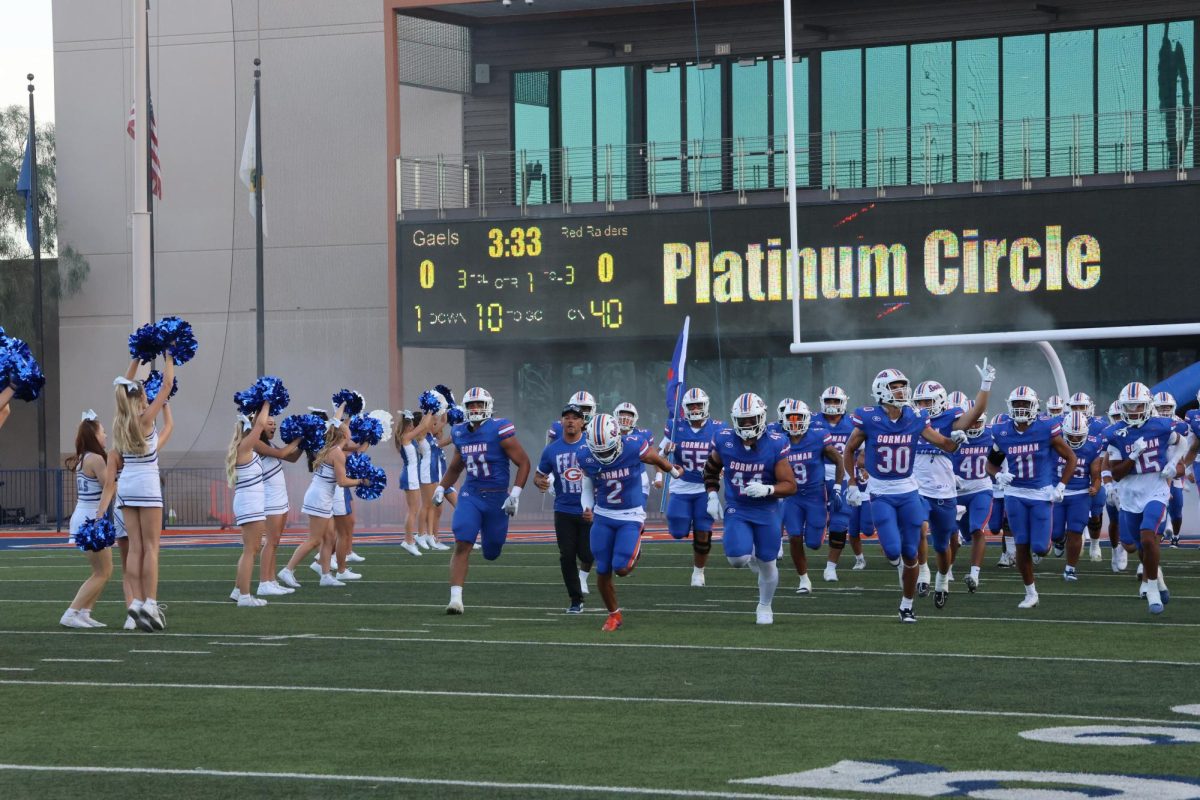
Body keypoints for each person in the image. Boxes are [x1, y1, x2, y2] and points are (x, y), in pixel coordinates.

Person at [841, 369, 963, 623]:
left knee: (910, 552)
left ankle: (906, 605)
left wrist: (956, 441)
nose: (901, 392)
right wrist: (852, 482)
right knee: (893, 551)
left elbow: (942, 442)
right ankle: (904, 579)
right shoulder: (868, 417)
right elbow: (849, 449)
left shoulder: (915, 417)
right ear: (881, 390)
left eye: (902, 386)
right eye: (895, 387)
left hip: (908, 490)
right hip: (881, 491)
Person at [94, 356, 176, 632]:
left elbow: (122, 387)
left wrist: (135, 359)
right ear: (142, 395)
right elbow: (167, 385)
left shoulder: (119, 421)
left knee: (136, 548)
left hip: (126, 487)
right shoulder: (145, 418)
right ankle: (150, 603)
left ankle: (137, 601)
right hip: (147, 485)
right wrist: (169, 355)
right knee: (151, 547)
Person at [434, 387, 531, 615]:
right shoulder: (459, 432)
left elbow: (524, 463)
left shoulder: (499, 429)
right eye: (471, 405)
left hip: (497, 497)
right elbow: (457, 466)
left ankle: (490, 544)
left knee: (491, 551)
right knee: (462, 540)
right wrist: (441, 486)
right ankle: (455, 599)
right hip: (472, 494)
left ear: (488, 406)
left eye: (479, 404)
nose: (475, 408)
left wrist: (514, 495)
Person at [580, 414, 680, 631]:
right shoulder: (585, 455)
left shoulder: (634, 446)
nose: (604, 455)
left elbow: (655, 458)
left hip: (631, 514)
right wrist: (587, 507)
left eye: (607, 449)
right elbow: (587, 484)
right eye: (599, 451)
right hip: (604, 514)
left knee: (622, 568)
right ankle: (613, 615)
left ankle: (637, 546)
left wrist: (672, 471)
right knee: (603, 568)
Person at [702, 393, 795, 625]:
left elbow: (790, 485)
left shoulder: (775, 442)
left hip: (767, 510)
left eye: (751, 419)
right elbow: (710, 470)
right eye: (742, 420)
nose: (746, 425)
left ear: (762, 417)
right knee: (737, 559)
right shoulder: (724, 440)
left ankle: (765, 605)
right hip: (738, 507)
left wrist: (768, 490)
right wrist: (712, 495)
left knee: (768, 562)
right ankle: (749, 553)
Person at [986, 386, 1076, 609]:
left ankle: (1056, 541)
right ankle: (1030, 593)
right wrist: (999, 475)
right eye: (1017, 404)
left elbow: (1071, 458)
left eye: (1025, 404)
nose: (1021, 408)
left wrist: (1062, 486)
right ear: (1010, 406)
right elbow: (990, 464)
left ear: (1035, 406)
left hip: (1040, 493)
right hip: (1015, 494)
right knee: (1021, 545)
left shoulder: (1046, 427)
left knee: (1040, 547)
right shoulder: (1002, 431)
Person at [911, 366, 991, 608]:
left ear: (940, 401)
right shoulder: (913, 420)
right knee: (918, 526)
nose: (923, 406)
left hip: (945, 491)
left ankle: (942, 580)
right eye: (920, 401)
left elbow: (976, 412)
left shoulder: (950, 418)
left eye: (927, 401)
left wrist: (985, 385)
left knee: (943, 544)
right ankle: (923, 571)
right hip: (919, 488)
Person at [1112, 382, 1188, 614]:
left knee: (1148, 537)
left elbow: (1182, 443)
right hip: (1129, 493)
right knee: (1136, 546)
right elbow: (1115, 472)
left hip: (1156, 488)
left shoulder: (1162, 426)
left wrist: (1173, 465)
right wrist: (1133, 456)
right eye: (1129, 406)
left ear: (1148, 406)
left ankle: (1152, 587)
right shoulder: (1115, 433)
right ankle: (1160, 579)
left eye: (1138, 406)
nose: (1134, 411)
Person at [278, 414, 372, 588]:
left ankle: (326, 575)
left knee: (329, 538)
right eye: (347, 429)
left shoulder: (331, 449)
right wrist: (360, 481)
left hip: (322, 496)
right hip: (319, 498)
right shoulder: (337, 453)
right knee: (314, 540)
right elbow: (342, 482)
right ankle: (287, 570)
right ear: (345, 435)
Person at [659, 388, 725, 587]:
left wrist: (723, 470)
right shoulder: (675, 427)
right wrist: (664, 471)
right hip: (681, 486)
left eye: (698, 405)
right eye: (691, 405)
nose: (695, 408)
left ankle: (699, 572)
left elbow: (730, 454)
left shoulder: (719, 428)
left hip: (706, 488)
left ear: (706, 406)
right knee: (677, 530)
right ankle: (685, 523)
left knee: (703, 533)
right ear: (684, 408)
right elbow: (658, 455)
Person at [779, 399, 845, 594]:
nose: (794, 422)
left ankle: (817, 539)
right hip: (793, 497)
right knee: (794, 537)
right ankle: (803, 580)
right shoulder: (778, 440)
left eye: (798, 418)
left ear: (807, 419)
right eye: (790, 418)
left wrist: (838, 487)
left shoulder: (818, 436)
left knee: (814, 543)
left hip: (816, 495)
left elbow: (839, 459)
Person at [535, 404, 594, 613]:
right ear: (561, 422)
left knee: (587, 554)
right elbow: (539, 475)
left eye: (575, 417)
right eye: (567, 417)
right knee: (567, 555)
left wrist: (597, 505)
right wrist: (540, 482)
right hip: (563, 510)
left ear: (583, 422)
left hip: (588, 509)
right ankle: (575, 599)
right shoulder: (552, 449)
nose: (570, 421)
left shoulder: (592, 445)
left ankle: (584, 579)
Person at [61, 411, 114, 628]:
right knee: (102, 572)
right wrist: (100, 516)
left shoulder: (85, 457)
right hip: (91, 516)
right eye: (103, 432)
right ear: (94, 435)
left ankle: (84, 612)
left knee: (103, 571)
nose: (106, 435)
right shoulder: (96, 459)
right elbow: (109, 486)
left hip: (84, 514)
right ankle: (71, 613)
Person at [227, 401, 272, 607]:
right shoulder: (245, 447)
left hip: (251, 501)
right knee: (251, 549)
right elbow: (260, 425)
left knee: (251, 548)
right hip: (249, 503)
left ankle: (238, 590)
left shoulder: (246, 449)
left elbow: (259, 425)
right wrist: (267, 401)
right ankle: (245, 596)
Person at [1052, 410, 1104, 582]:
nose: (1074, 439)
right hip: (1057, 493)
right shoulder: (1054, 442)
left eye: (1078, 436)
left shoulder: (1092, 445)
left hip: (1080, 494)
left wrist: (1095, 487)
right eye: (1071, 436)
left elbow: (1096, 475)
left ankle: (1070, 569)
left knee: (1075, 531)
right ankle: (1059, 540)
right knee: (1055, 532)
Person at [812, 386, 857, 581]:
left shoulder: (854, 422)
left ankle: (831, 567)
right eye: (828, 401)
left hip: (843, 475)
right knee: (813, 523)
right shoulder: (811, 421)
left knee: (840, 521)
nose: (832, 405)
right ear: (822, 401)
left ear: (844, 402)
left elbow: (864, 449)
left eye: (836, 401)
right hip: (816, 474)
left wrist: (862, 468)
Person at [254, 416, 301, 597]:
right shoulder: (256, 443)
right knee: (271, 542)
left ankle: (271, 581)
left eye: (275, 423)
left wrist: (304, 444)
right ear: (259, 425)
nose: (274, 426)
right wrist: (298, 439)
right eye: (269, 423)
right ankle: (264, 583)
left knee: (275, 542)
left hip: (280, 498)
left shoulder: (271, 445)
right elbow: (282, 454)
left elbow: (292, 457)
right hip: (270, 500)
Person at [952, 402, 993, 593]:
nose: (974, 426)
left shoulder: (992, 435)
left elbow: (1005, 454)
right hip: (955, 492)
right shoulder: (951, 434)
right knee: (954, 534)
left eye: (978, 422)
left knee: (977, 529)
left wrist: (1000, 474)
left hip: (980, 489)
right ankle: (947, 569)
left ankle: (974, 574)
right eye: (971, 423)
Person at [1067, 392, 1107, 561]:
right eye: (1074, 407)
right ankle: (1076, 536)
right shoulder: (1063, 422)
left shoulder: (1100, 425)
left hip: (1093, 470)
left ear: (1090, 408)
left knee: (1096, 511)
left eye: (1081, 407)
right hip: (1071, 475)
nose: (1078, 410)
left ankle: (1095, 543)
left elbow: (1106, 453)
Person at [396, 411, 433, 557]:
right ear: (407, 425)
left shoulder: (407, 438)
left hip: (412, 475)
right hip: (409, 476)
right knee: (413, 510)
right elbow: (423, 425)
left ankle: (409, 540)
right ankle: (408, 541)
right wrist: (429, 410)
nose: (413, 427)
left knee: (414, 509)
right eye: (411, 424)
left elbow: (423, 428)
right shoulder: (405, 437)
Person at [1152, 391, 1185, 545]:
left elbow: (1185, 449)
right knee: (1158, 505)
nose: (1165, 410)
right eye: (1161, 407)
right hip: (1154, 471)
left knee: (1176, 508)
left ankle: (1175, 535)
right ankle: (1158, 532)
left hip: (1173, 467)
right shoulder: (1148, 423)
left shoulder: (1181, 425)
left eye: (1167, 407)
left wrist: (1184, 468)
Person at [419, 411, 453, 551]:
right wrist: (432, 413)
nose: (438, 429)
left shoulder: (433, 441)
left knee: (436, 509)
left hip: (439, 478)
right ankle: (424, 535)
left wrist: (443, 417)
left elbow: (443, 432)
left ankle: (433, 536)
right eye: (434, 425)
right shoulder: (422, 436)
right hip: (429, 475)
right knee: (428, 506)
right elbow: (427, 426)